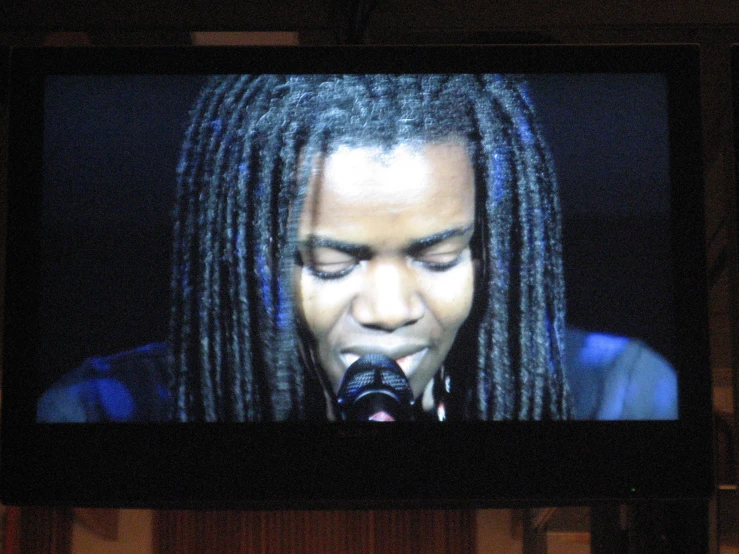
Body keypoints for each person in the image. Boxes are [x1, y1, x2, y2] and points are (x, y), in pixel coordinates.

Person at [36, 74, 676, 423]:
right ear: (248, 257)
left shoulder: (619, 392)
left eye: (441, 257)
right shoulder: (97, 410)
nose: (390, 309)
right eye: (330, 265)